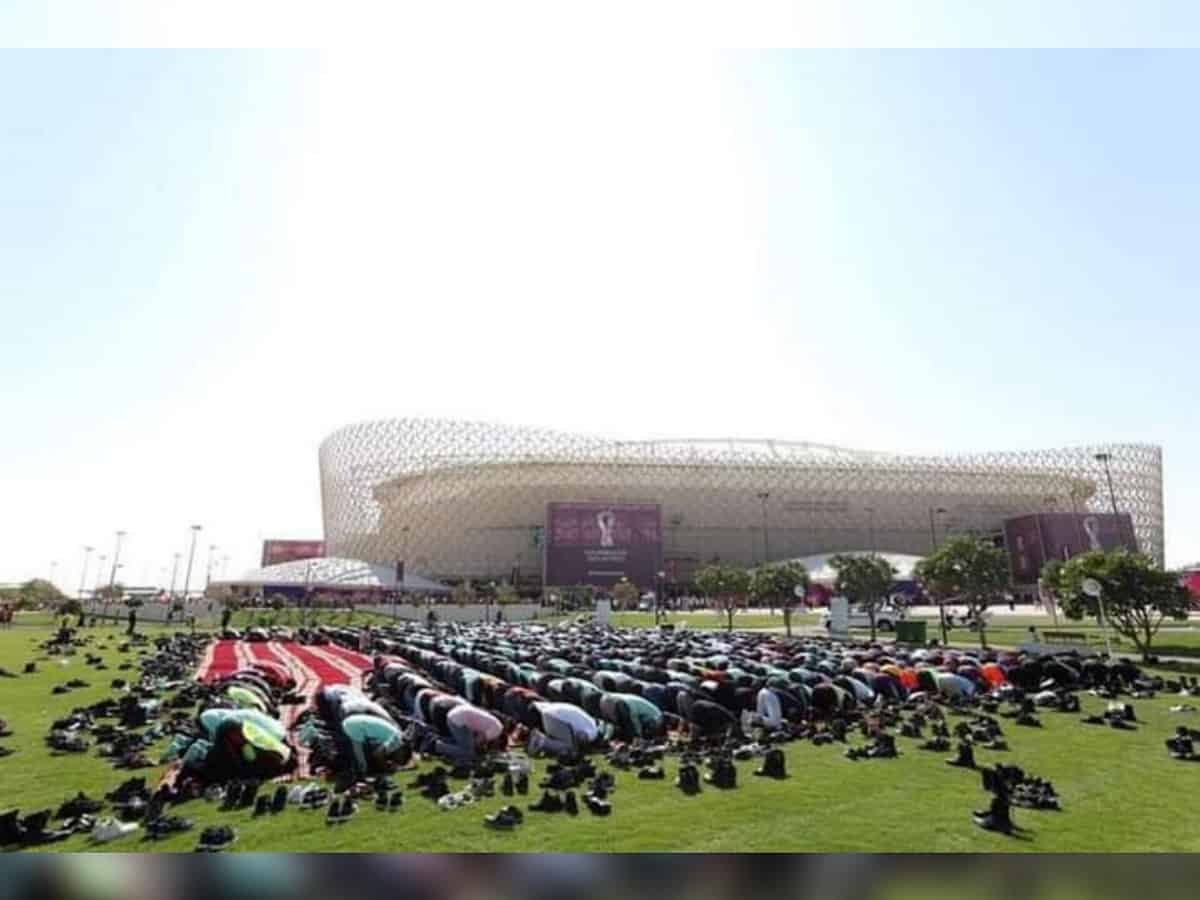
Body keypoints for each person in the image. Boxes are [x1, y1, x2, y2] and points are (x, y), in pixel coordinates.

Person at [435, 703, 504, 763]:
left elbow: (478, 737)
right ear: (500, 740)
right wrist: (480, 751)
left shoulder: (497, 725)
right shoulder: (497, 731)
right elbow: (478, 740)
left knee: (464, 745)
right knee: (468, 752)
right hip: (459, 719)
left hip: (457, 715)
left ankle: (438, 740)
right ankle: (438, 746)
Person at [528, 701, 600, 756]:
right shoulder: (593, 732)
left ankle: (541, 739)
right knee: (569, 748)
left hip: (549, 711)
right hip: (555, 717)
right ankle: (542, 742)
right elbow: (582, 736)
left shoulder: (590, 720)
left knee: (566, 741)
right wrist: (579, 746)